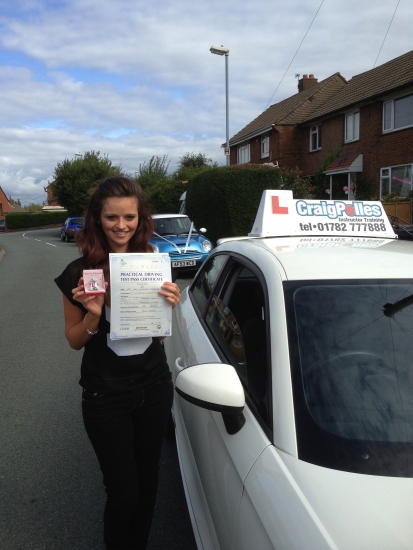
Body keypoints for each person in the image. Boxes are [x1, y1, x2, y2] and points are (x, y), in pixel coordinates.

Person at [54, 176, 181, 549]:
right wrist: (92, 316)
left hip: (154, 388)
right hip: (105, 396)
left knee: (148, 486)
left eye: (130, 217)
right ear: (97, 218)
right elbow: (74, 341)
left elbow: (156, 337)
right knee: (124, 494)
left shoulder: (152, 265)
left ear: (141, 219)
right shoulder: (80, 273)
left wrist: (166, 308)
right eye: (112, 217)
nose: (121, 226)